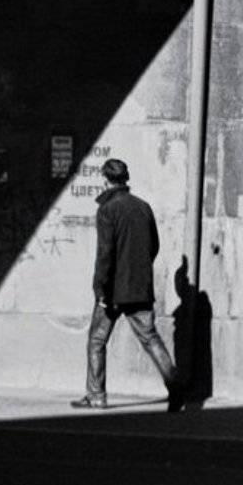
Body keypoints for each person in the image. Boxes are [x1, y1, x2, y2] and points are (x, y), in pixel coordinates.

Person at [71, 158, 180, 409]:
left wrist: (100, 289)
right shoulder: (143, 207)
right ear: (125, 178)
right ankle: (176, 389)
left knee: (97, 341)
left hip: (113, 291)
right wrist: (139, 270)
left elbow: (105, 254)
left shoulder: (107, 210)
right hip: (139, 287)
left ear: (105, 180)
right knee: (150, 338)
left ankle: (96, 395)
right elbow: (153, 246)